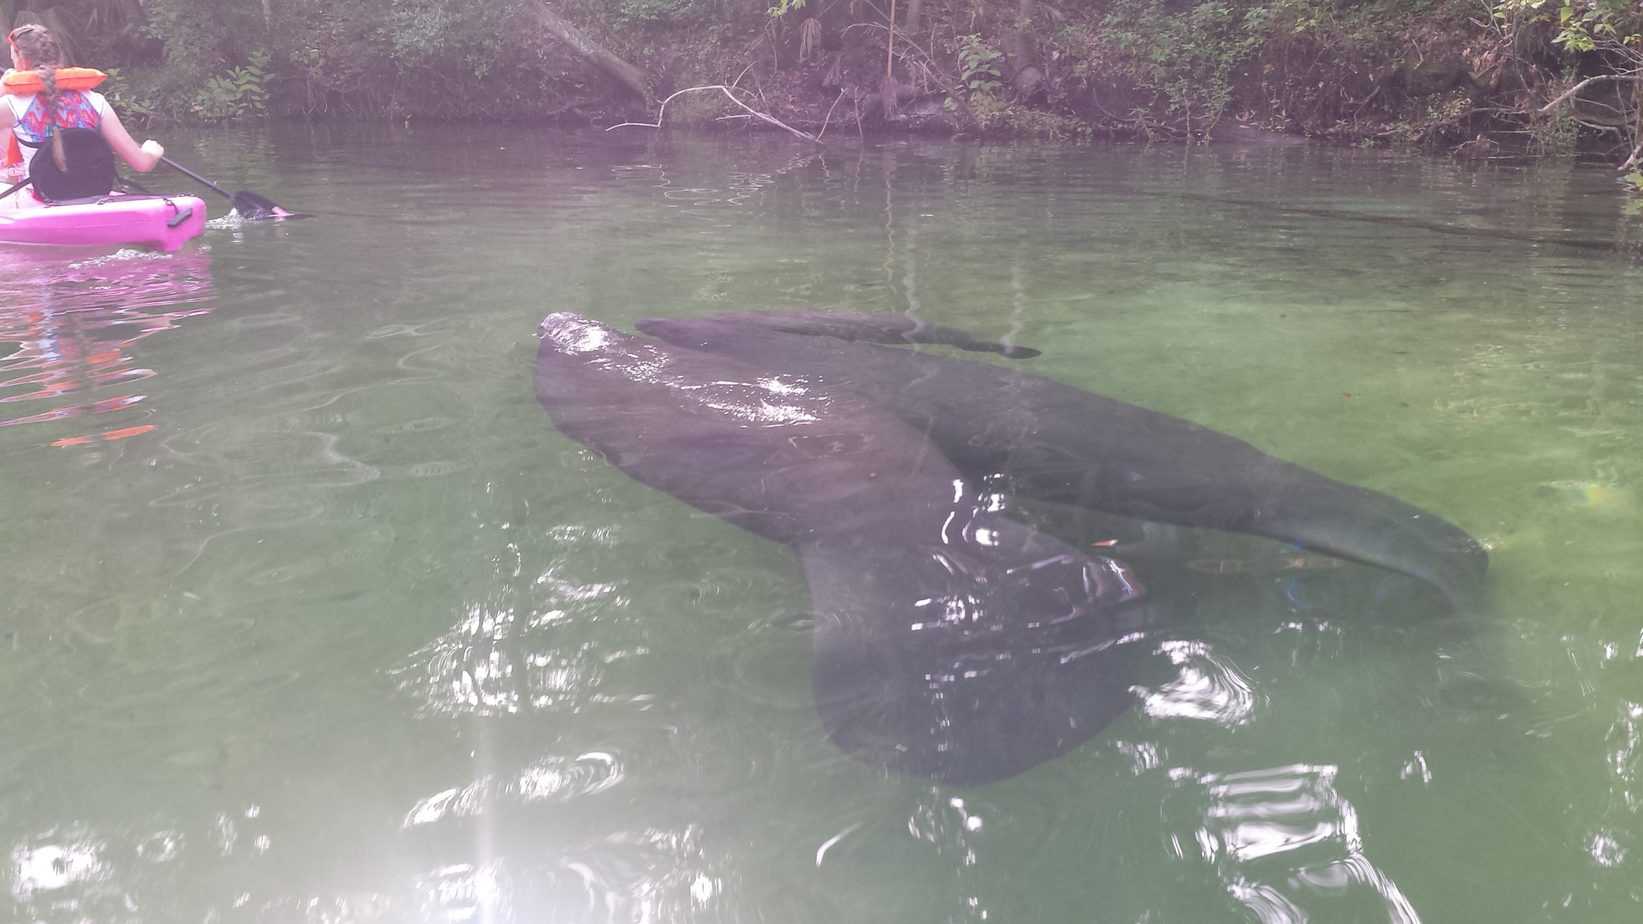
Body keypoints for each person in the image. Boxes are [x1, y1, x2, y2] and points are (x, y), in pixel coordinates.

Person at [0, 22, 164, 206]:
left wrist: (2, 88)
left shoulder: (11, 105)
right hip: (92, 197)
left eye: (12, 56)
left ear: (20, 59)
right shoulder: (96, 101)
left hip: (38, 199)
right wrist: (152, 152)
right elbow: (142, 164)